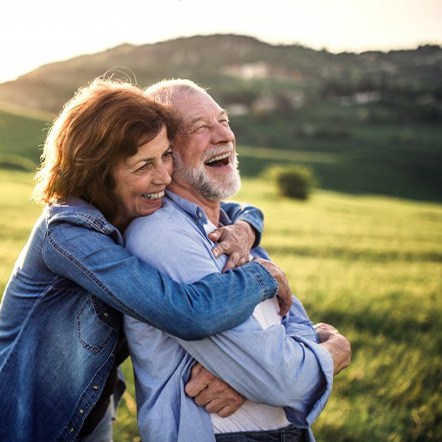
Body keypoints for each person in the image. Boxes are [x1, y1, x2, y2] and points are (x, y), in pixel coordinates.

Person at [0, 78, 294, 442]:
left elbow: (231, 208)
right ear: (98, 173)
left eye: (166, 155)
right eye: (143, 166)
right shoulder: (67, 235)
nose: (164, 176)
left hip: (90, 410)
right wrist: (262, 275)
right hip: (29, 420)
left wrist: (248, 226)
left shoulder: (130, 207)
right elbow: (188, 313)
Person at [124, 79, 351, 441]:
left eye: (224, 121)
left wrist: (251, 379)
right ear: (166, 153)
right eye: (200, 127)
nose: (223, 136)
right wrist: (335, 351)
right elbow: (281, 379)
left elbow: (293, 321)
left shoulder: (234, 230)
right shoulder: (162, 235)